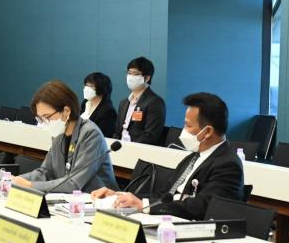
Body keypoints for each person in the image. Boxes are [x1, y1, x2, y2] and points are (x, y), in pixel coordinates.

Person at [92, 92, 243, 220]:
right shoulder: (192, 157)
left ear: (208, 132)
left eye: (188, 125)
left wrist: (143, 205)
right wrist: (120, 196)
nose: (183, 130)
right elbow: (164, 195)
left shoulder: (228, 165)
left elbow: (201, 208)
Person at [13, 80, 118, 194]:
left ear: (66, 111)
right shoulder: (58, 134)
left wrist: (30, 185)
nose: (44, 123)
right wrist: (14, 180)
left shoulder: (90, 134)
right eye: (40, 118)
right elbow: (45, 172)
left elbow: (74, 183)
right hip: (69, 199)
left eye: (47, 117)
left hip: (99, 199)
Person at [114, 57, 166, 144]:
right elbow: (117, 132)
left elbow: (150, 135)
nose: (130, 77)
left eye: (135, 74)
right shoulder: (123, 103)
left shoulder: (155, 102)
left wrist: (131, 148)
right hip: (120, 148)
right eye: (129, 73)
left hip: (138, 149)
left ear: (147, 78)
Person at [80, 72, 117, 138]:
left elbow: (102, 136)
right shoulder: (85, 103)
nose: (86, 89)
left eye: (91, 86)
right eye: (86, 85)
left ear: (101, 88)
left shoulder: (108, 111)